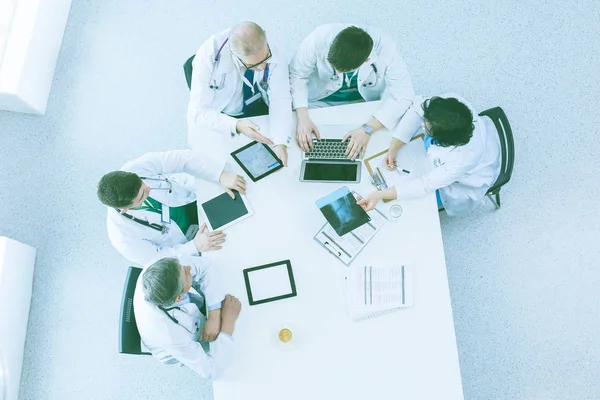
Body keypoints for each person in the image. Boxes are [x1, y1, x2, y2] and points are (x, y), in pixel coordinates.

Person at [358, 94, 502, 216]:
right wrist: (394, 148)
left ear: (443, 141)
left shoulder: (462, 159)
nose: (423, 126)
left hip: (470, 177)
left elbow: (425, 185)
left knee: (419, 203)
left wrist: (379, 195)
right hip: (472, 142)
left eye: (427, 128)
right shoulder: (451, 104)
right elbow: (417, 110)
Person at [97, 150, 246, 266]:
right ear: (125, 209)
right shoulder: (123, 237)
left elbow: (181, 158)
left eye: (143, 183)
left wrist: (219, 175)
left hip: (194, 197)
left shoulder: (134, 168)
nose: (149, 188)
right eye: (143, 194)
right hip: (195, 239)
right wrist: (194, 247)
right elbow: (157, 260)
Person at [289, 23, 414, 160]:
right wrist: (303, 117)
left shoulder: (386, 49)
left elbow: (404, 97)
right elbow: (296, 75)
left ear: (366, 61)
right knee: (301, 145)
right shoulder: (318, 39)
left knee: (370, 149)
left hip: (361, 103)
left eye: (344, 71)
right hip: (319, 101)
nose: (337, 73)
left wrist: (367, 129)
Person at [187, 21, 292, 165]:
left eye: (266, 59)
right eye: (253, 65)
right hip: (225, 116)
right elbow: (198, 112)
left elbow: (280, 96)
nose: (262, 68)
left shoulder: (272, 43)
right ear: (232, 52)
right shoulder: (208, 55)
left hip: (258, 103)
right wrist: (235, 125)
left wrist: (280, 142)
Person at [133, 256, 242, 379]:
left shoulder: (159, 268)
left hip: (188, 311)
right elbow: (212, 371)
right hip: (181, 346)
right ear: (179, 298)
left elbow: (206, 266)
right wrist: (228, 322)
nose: (189, 268)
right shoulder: (169, 335)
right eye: (186, 273)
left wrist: (214, 315)